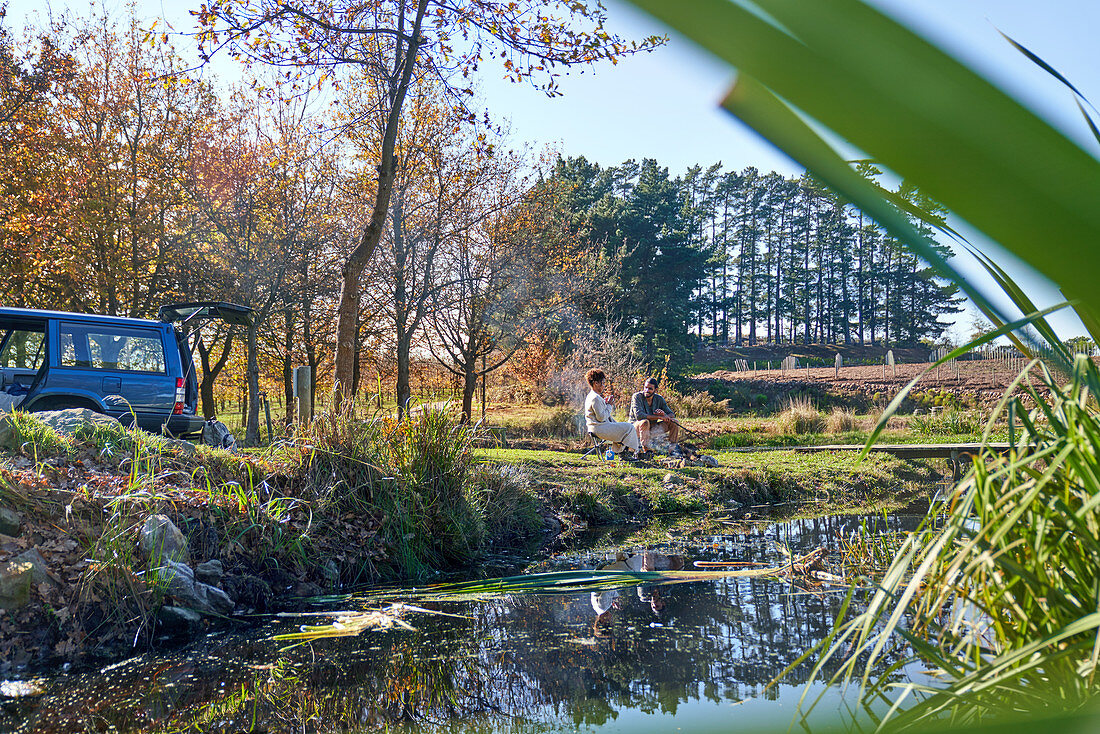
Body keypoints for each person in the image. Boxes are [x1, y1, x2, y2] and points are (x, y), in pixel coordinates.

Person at [584, 368, 640, 461]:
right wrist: (609, 405)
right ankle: (624, 454)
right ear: (596, 383)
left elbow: (600, 413)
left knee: (625, 427)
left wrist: (605, 405)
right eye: (603, 383)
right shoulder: (595, 398)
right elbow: (601, 417)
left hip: (597, 427)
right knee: (629, 427)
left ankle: (623, 453)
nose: (604, 386)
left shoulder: (593, 396)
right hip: (599, 428)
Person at [629, 377, 680, 453]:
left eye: (650, 389)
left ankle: (672, 449)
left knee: (675, 422)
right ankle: (646, 450)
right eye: (645, 387)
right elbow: (639, 416)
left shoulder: (659, 399)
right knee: (645, 422)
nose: (647, 390)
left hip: (652, 429)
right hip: (635, 428)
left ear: (655, 390)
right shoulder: (637, 397)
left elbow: (672, 414)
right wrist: (659, 417)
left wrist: (664, 415)